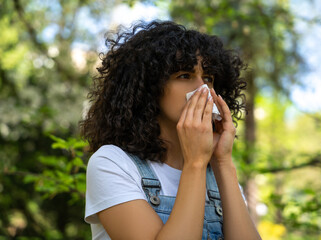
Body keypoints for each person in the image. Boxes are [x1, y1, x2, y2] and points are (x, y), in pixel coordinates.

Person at [80, 20, 261, 240]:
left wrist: (223, 163)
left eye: (208, 78)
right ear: (149, 88)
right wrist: (195, 163)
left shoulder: (217, 175)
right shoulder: (112, 163)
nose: (202, 88)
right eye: (184, 75)